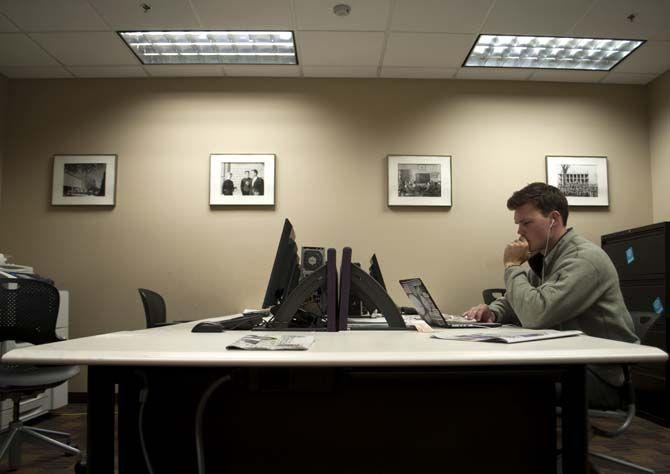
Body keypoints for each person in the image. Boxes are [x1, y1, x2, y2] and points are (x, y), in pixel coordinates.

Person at [463, 182, 638, 408]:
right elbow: (520, 300)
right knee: (491, 375)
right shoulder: (548, 257)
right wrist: (493, 313)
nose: (519, 232)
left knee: (501, 385)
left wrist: (512, 266)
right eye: (518, 224)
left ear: (554, 219)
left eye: (526, 223)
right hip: (568, 361)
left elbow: (535, 314)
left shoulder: (582, 260)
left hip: (598, 375)